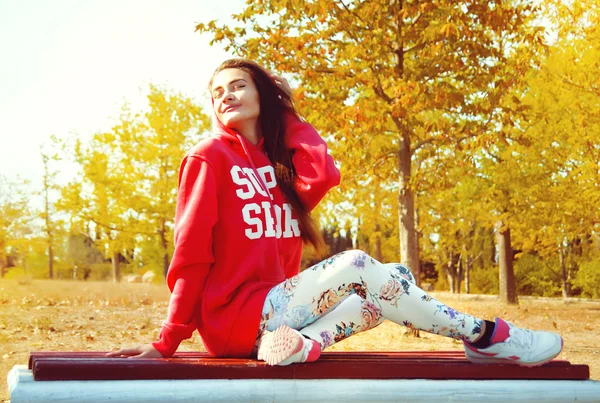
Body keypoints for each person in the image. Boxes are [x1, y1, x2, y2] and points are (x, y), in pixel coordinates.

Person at [107, 58, 563, 367]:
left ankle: (304, 345)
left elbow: (323, 175)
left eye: (239, 85)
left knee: (396, 278)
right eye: (217, 92)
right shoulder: (207, 158)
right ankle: (484, 335)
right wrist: (167, 340)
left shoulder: (277, 165)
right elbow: (190, 255)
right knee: (359, 265)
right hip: (233, 318)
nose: (226, 95)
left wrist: (282, 119)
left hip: (278, 312)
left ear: (262, 93)